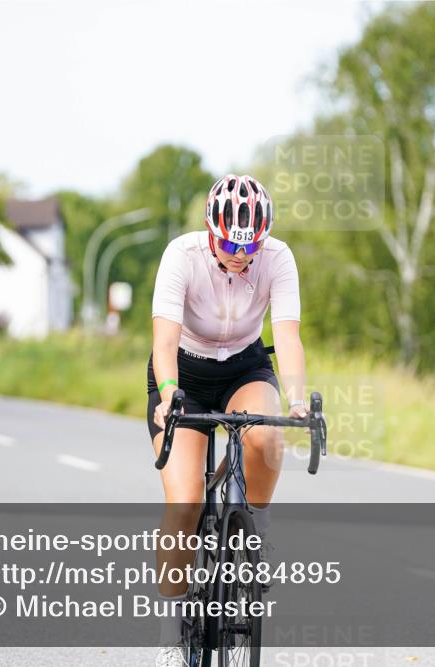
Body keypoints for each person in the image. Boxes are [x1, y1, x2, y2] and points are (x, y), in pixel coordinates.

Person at [147, 174, 307, 666]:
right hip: (184, 376)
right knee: (184, 505)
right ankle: (171, 637)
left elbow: (289, 336)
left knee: (267, 435)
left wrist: (297, 399)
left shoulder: (278, 258)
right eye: (230, 244)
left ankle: (254, 525)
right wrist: (170, 393)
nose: (240, 255)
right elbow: (164, 342)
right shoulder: (182, 255)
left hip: (244, 365)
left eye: (250, 246)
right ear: (210, 231)